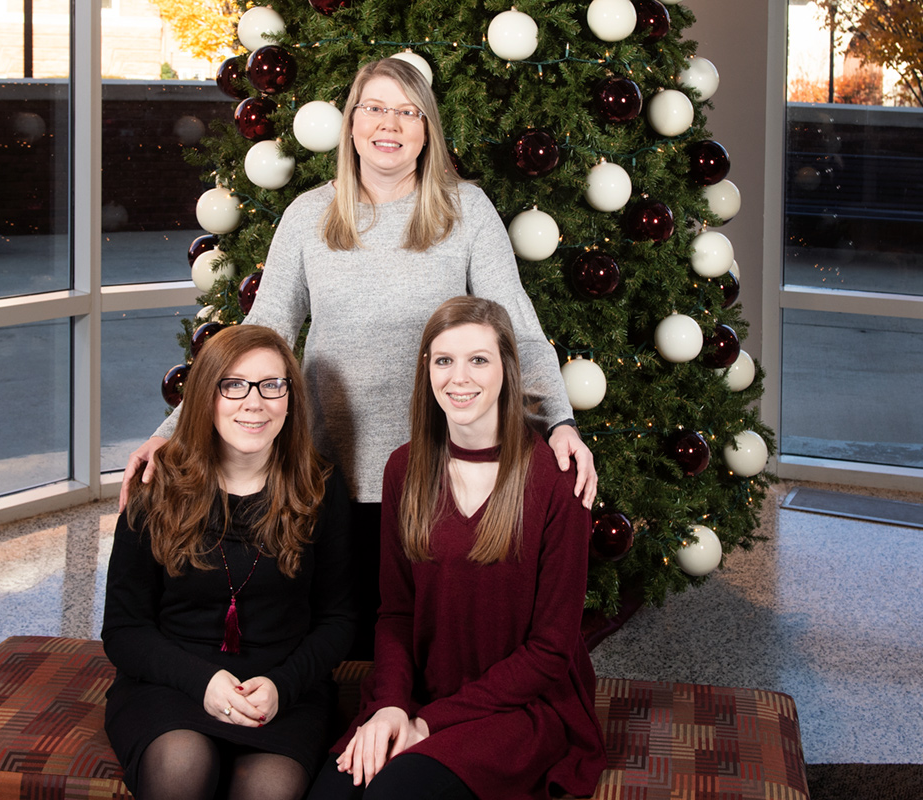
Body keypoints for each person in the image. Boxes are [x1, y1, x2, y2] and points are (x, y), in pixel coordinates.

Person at [123, 57, 596, 656]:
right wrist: (173, 429)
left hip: (432, 468)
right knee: (342, 640)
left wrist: (559, 422)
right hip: (328, 471)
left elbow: (517, 330)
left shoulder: (466, 210)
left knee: (424, 641)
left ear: (427, 130)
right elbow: (260, 336)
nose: (389, 123)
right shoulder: (306, 216)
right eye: (373, 107)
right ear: (351, 124)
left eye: (407, 111)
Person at [307, 296, 607, 800]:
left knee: (393, 794)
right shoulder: (404, 468)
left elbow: (552, 648)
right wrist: (393, 707)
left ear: (508, 370)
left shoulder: (557, 477)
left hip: (518, 706)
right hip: (419, 690)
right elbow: (396, 614)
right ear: (427, 370)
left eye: (479, 360)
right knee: (332, 795)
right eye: (444, 360)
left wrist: (428, 723)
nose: (459, 378)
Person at [101, 324, 355, 800]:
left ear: (290, 398)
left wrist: (283, 685)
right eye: (233, 385)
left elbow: (338, 619)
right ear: (205, 396)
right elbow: (122, 629)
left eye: (271, 385)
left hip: (283, 691)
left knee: (270, 788)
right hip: (172, 684)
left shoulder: (320, 487)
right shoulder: (158, 488)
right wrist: (203, 682)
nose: (253, 402)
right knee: (181, 763)